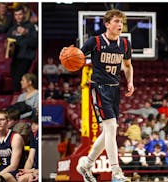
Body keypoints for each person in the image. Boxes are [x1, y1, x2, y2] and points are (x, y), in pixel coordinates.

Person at [67, 9, 134, 182]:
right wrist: (70, 57)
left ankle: (86, 164)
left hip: (115, 89)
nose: (120, 25)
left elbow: (127, 65)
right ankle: (116, 171)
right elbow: (78, 57)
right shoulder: (95, 41)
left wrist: (130, 82)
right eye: (117, 22)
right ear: (107, 24)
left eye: (121, 22)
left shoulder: (125, 44)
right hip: (99, 88)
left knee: (109, 132)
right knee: (111, 128)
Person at [7, 5, 38, 91]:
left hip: (26, 58)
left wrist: (25, 33)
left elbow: (35, 43)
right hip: (15, 58)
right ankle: (17, 98)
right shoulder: (12, 29)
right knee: (14, 80)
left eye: (20, 14)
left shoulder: (30, 27)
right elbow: (8, 43)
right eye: (16, 15)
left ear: (24, 14)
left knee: (19, 79)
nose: (18, 17)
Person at [16, 116, 39, 182]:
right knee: (20, 177)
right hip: (34, 170)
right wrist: (24, 172)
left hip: (38, 171)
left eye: (36, 124)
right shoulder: (33, 134)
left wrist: (32, 171)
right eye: (32, 124)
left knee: (22, 179)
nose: (33, 126)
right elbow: (30, 159)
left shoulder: (39, 134)